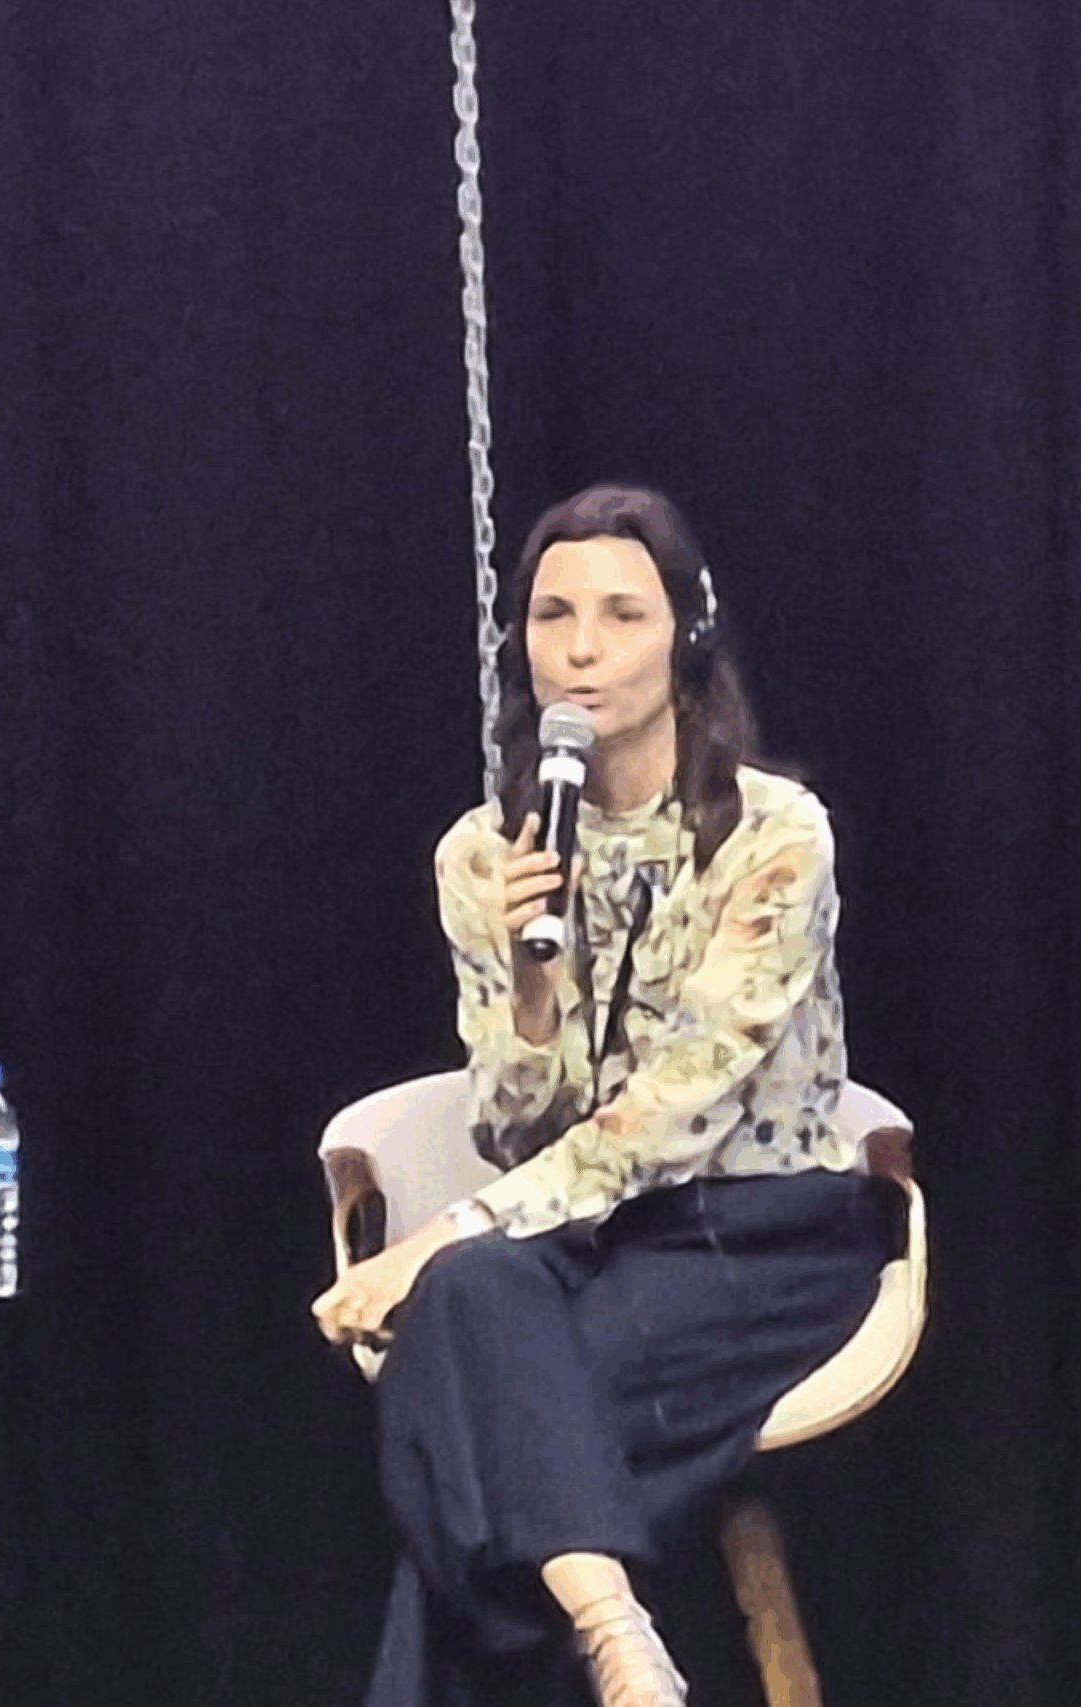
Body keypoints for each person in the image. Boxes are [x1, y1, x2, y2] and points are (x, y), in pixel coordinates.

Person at [310, 485, 889, 1707]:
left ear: (686, 634)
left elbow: (681, 1109)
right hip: (592, 1237)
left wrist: (443, 1233)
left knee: (462, 1416)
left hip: (759, 1234)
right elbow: (515, 1126)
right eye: (552, 615)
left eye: (621, 615)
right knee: (478, 1310)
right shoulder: (485, 854)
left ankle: (600, 1633)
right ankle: (616, 1632)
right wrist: (533, 990)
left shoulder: (775, 837)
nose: (579, 649)